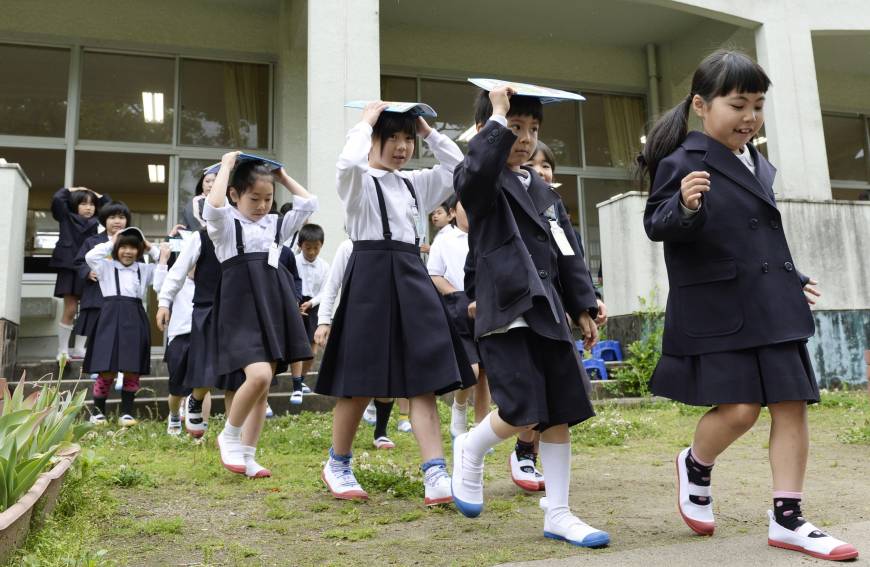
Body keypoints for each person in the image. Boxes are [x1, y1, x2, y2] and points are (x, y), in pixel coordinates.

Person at [640, 50, 858, 561]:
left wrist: (788, 277)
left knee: (791, 404)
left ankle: (788, 519)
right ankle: (695, 464)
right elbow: (657, 224)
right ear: (701, 105)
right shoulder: (681, 162)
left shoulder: (757, 161)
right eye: (738, 104)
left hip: (770, 303)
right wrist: (685, 205)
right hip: (719, 310)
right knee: (738, 412)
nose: (750, 118)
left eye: (758, 106)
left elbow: (752, 235)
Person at [452, 84, 608, 548]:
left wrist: (583, 306)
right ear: (488, 130)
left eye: (532, 129)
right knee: (522, 407)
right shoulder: (479, 181)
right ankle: (471, 446)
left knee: (561, 408)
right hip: (507, 307)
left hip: (549, 309)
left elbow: (568, 252)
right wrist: (496, 113)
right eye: (514, 128)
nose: (523, 138)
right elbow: (477, 169)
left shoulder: (543, 190)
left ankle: (558, 512)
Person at [315, 101, 475, 505]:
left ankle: (435, 471)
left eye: (407, 139)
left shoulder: (413, 183)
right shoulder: (359, 182)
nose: (402, 147)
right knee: (358, 382)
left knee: (422, 379)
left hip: (410, 278)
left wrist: (426, 131)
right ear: (373, 141)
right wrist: (365, 122)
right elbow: (347, 165)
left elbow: (457, 166)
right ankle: (338, 463)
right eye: (393, 138)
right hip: (370, 279)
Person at [205, 153, 313, 479]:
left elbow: (308, 204)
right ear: (235, 195)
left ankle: (248, 455)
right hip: (239, 308)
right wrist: (225, 167)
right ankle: (229, 435)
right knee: (259, 376)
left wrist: (281, 176)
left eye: (268, 199)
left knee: (264, 388)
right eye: (254, 198)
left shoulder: (276, 225)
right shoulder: (226, 226)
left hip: (271, 306)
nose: (263, 205)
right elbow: (213, 206)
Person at [84, 228, 162, 427]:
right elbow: (90, 255)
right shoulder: (105, 267)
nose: (128, 251)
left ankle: (127, 412)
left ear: (139, 249)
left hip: (135, 316)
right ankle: (98, 412)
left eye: (133, 247)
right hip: (109, 316)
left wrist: (150, 246)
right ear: (117, 248)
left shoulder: (144, 269)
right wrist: (112, 241)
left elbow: (165, 267)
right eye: (123, 247)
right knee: (106, 367)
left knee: (131, 367)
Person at [426, 200, 491, 441]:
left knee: (485, 371)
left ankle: (482, 429)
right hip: (458, 305)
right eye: (466, 205)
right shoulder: (444, 239)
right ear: (453, 212)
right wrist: (456, 295)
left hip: (488, 306)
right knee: (471, 369)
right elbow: (434, 273)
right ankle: (459, 408)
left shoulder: (488, 235)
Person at [51, 186, 110, 361]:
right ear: (75, 205)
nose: (88, 207)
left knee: (87, 310)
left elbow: (109, 207)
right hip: (69, 268)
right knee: (70, 309)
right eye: (83, 203)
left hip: (89, 270)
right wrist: (72, 189)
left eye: (92, 204)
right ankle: (62, 351)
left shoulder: (98, 223)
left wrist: (99, 194)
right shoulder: (66, 217)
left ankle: (79, 349)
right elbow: (57, 199)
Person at [73, 201, 131, 359]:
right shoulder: (92, 241)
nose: (117, 221)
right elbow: (79, 262)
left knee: (119, 332)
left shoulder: (132, 241)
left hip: (123, 296)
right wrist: (88, 272)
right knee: (94, 328)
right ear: (104, 220)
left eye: (121, 217)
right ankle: (89, 357)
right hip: (96, 293)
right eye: (112, 217)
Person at [153, 241, 195, 435]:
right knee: (178, 388)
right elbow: (159, 286)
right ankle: (174, 414)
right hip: (179, 337)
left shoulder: (211, 282)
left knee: (202, 385)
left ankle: (197, 427)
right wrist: (163, 260)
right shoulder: (177, 280)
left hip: (203, 337)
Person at [293, 223, 329, 405]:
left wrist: (312, 303)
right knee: (297, 347)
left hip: (314, 306)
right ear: (300, 245)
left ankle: (302, 378)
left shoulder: (324, 266)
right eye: (308, 248)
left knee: (312, 350)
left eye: (316, 248)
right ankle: (296, 384)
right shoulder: (293, 261)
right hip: (296, 304)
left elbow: (326, 291)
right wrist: (295, 303)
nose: (312, 252)